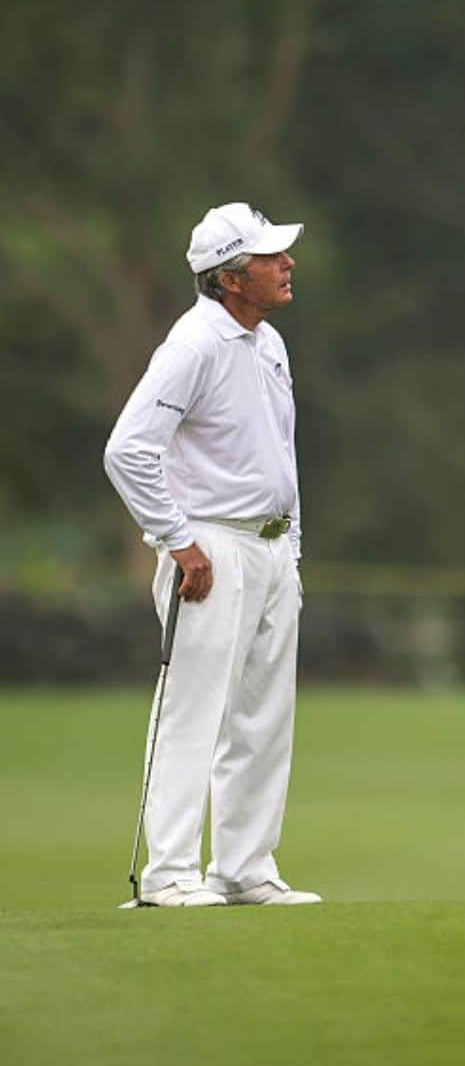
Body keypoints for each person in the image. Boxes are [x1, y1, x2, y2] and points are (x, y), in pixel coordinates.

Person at [104, 202, 321, 907]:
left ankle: (244, 867)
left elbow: (274, 455)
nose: (287, 264)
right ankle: (168, 875)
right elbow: (129, 450)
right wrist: (176, 539)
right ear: (231, 277)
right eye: (269, 257)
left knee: (262, 715)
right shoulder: (193, 344)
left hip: (269, 547)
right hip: (208, 548)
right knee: (192, 712)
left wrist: (289, 549)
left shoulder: (269, 344)